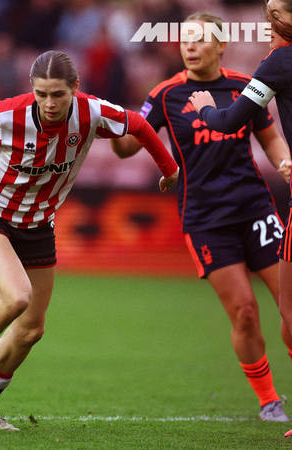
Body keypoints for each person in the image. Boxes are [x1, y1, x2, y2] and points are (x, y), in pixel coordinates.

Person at [0, 50, 179, 430]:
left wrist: (169, 169)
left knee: (32, 329)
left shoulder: (93, 112)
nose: (49, 104)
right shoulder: (9, 115)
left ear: (75, 89)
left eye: (58, 95)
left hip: (38, 224)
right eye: (41, 94)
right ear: (31, 90)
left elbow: (140, 126)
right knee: (17, 297)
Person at [114, 12, 292, 422]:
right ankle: (268, 400)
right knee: (245, 311)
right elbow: (129, 146)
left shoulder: (244, 87)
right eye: (185, 40)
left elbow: (272, 139)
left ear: (220, 45)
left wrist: (285, 163)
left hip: (255, 207)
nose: (190, 46)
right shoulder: (165, 95)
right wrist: (118, 132)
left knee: (289, 305)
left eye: (199, 39)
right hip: (206, 218)